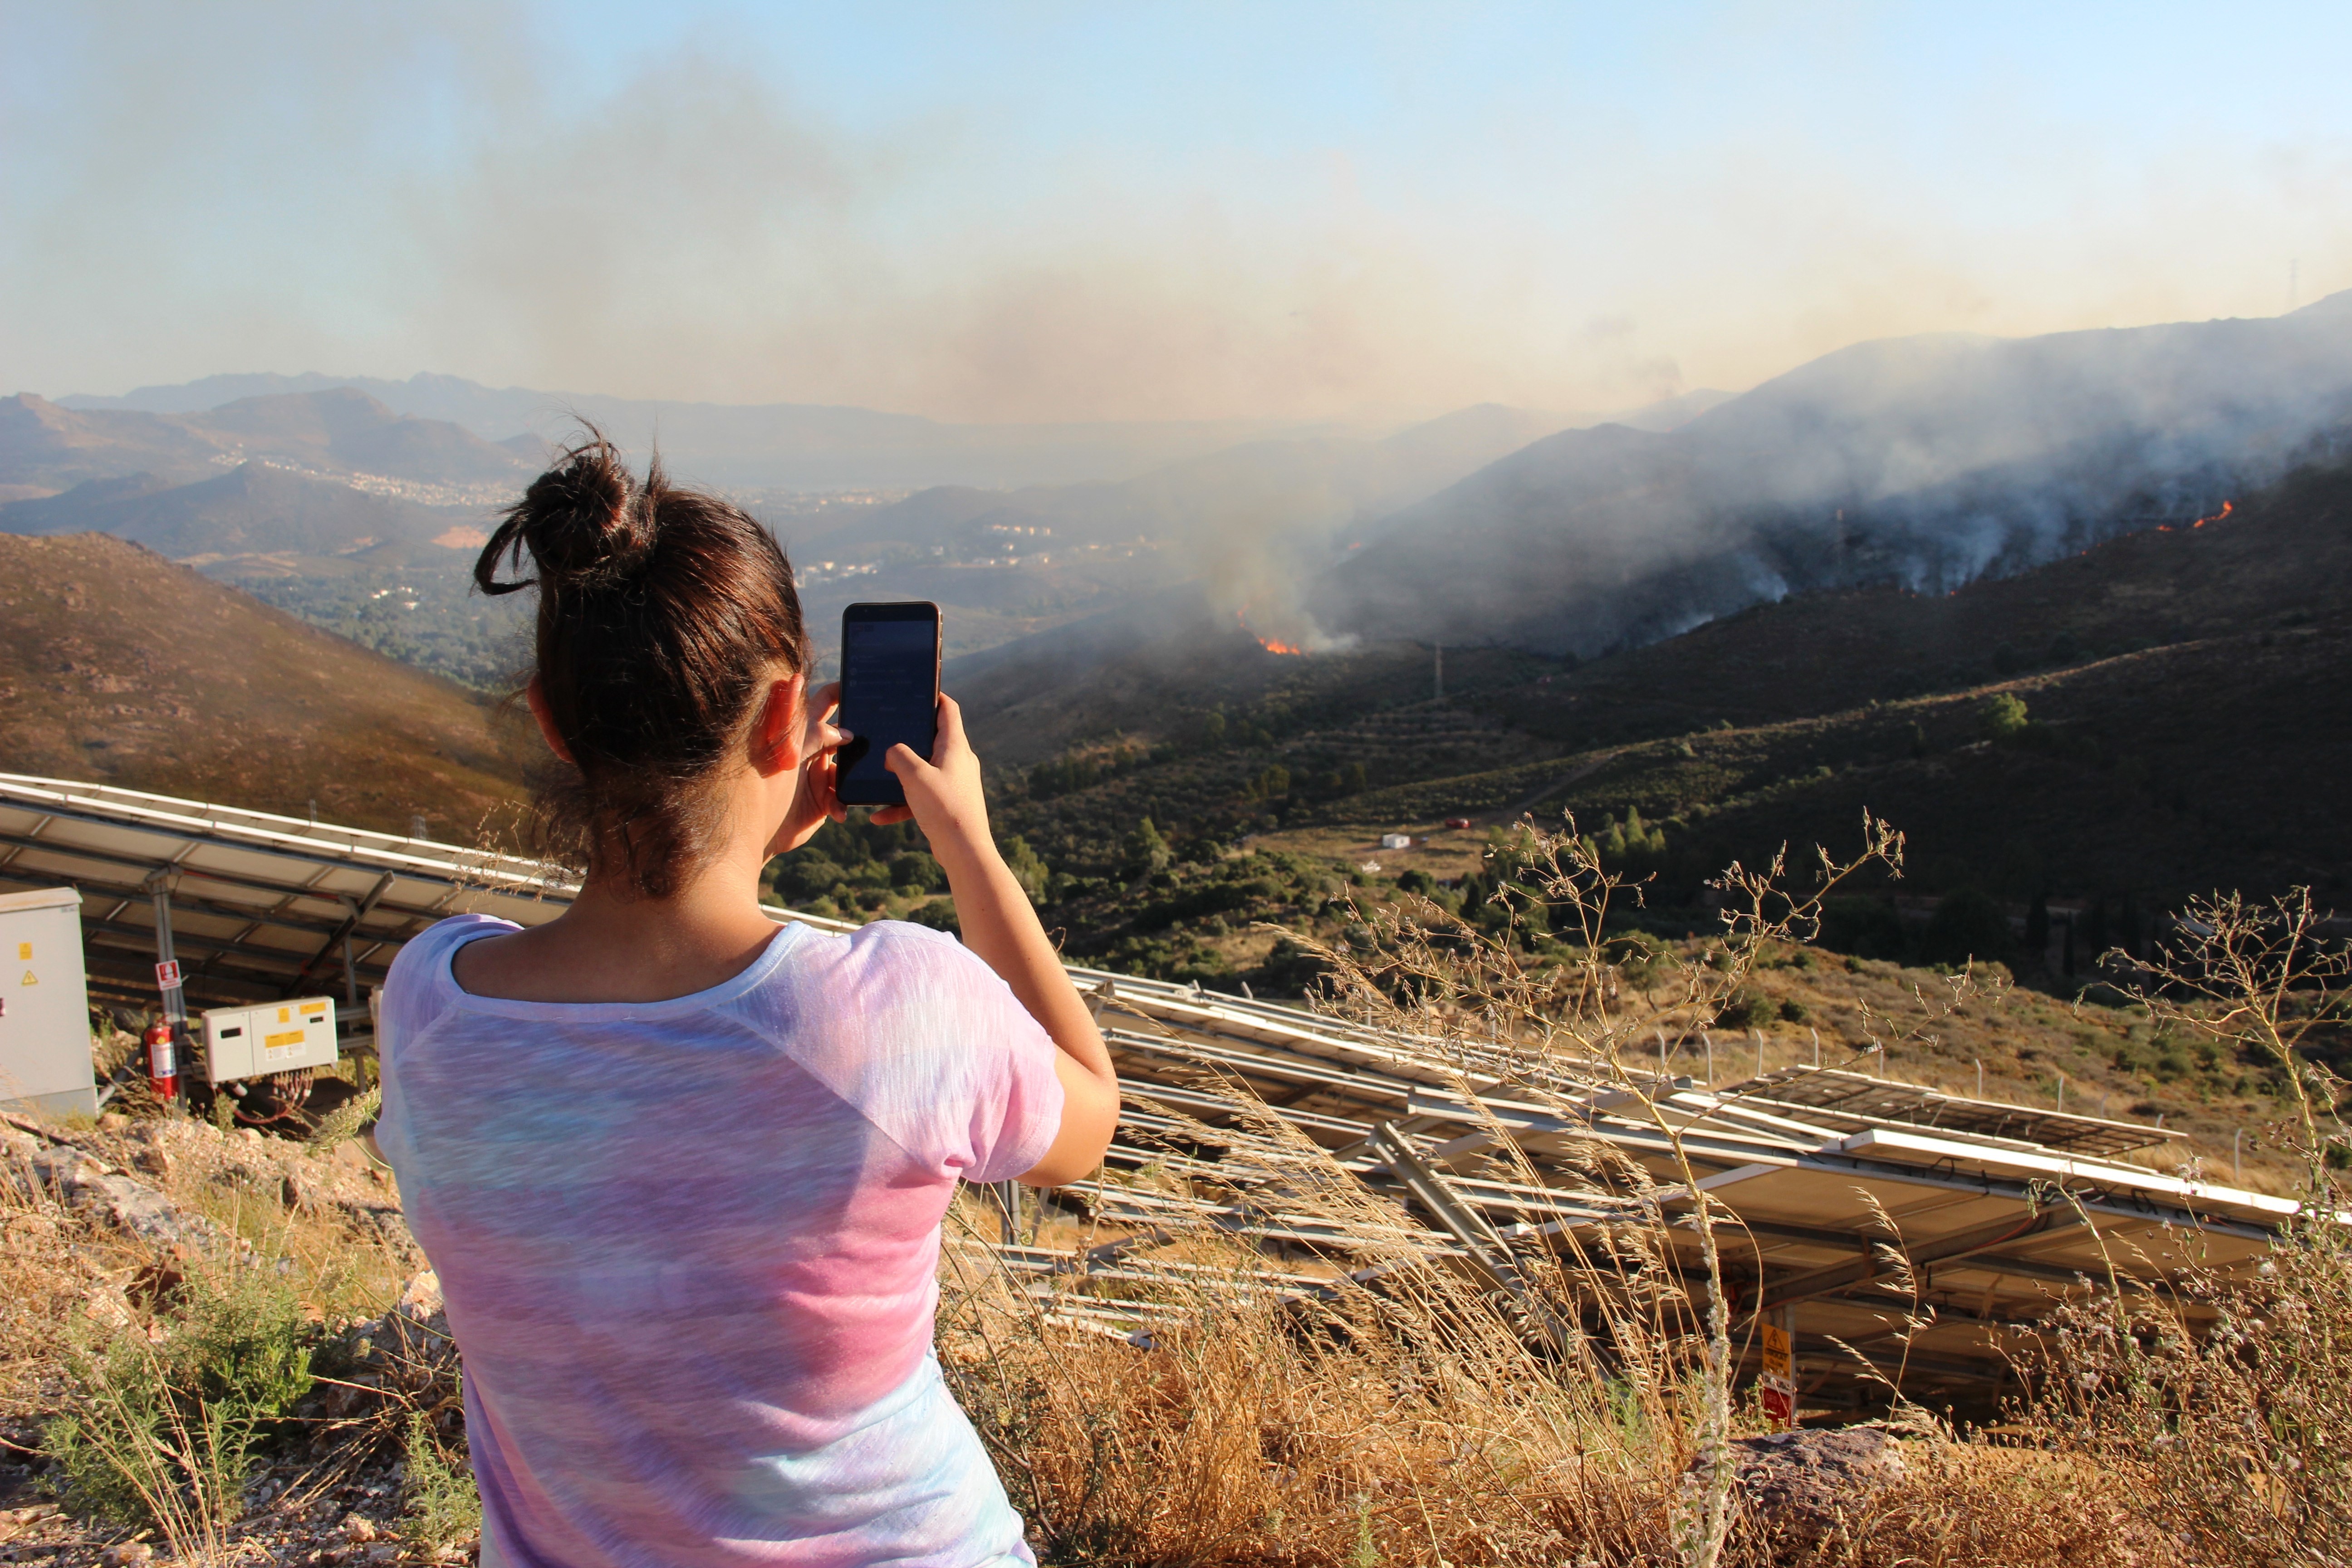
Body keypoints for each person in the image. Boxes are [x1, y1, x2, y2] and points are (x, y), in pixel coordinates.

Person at [371, 434, 1120, 1568]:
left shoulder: (432, 1008)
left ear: (551, 722)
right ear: (790, 719)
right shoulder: (898, 1008)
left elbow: (655, 1007)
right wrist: (968, 842)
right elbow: (1087, 1127)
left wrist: (746, 838)